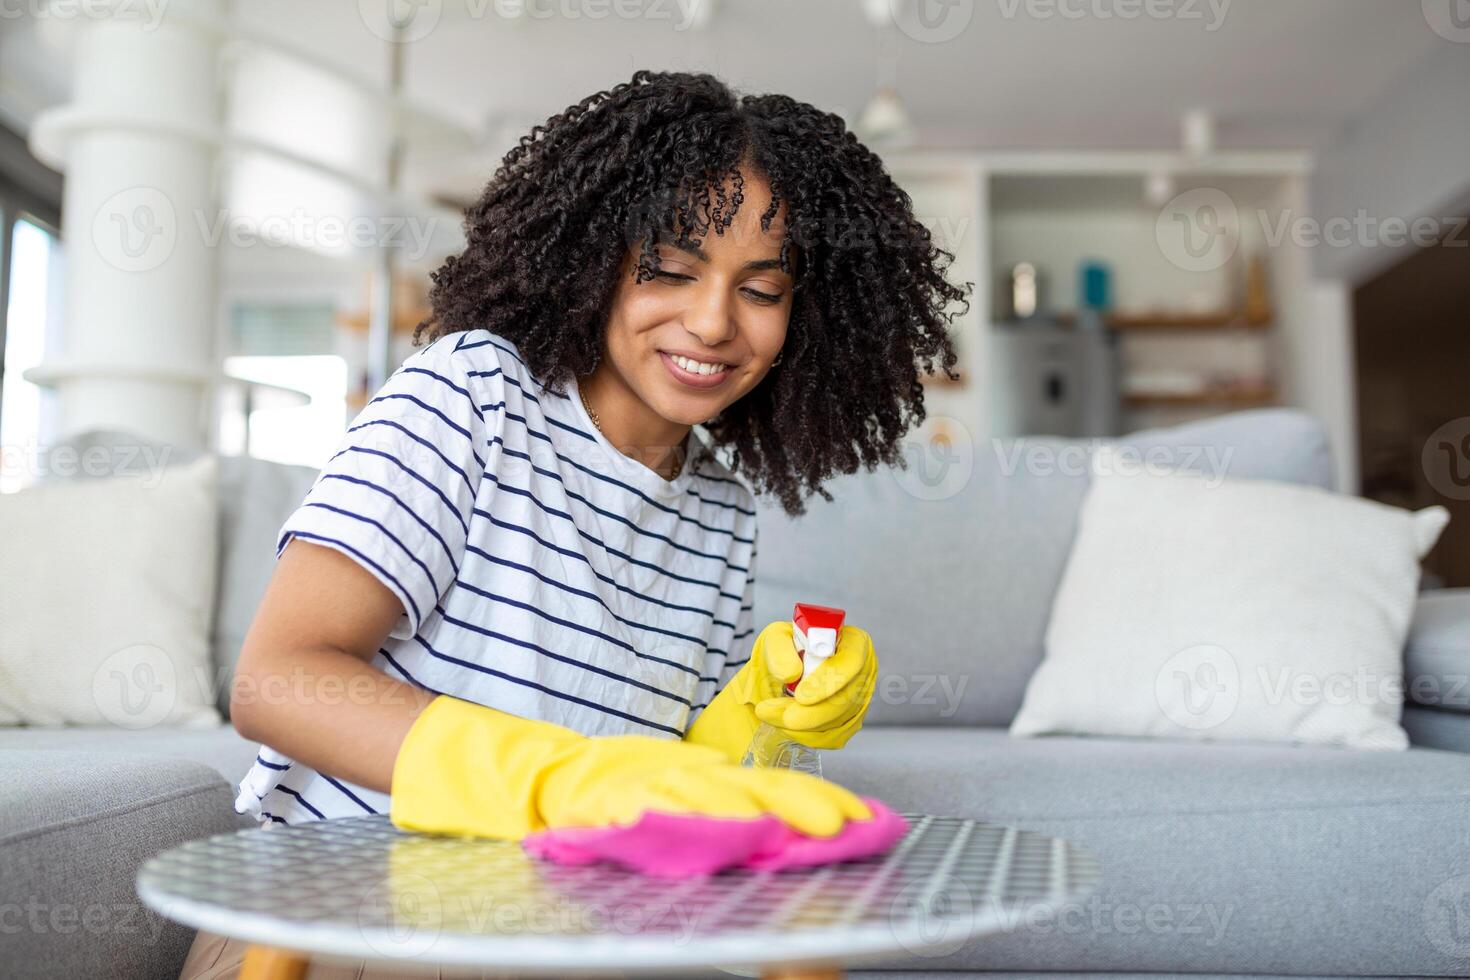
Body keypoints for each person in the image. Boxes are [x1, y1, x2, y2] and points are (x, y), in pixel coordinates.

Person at [179, 69, 965, 979]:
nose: (711, 323)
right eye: (668, 269)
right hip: (336, 925)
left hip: (560, 938)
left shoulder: (722, 511)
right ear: (593, 258)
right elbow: (277, 681)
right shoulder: (472, 393)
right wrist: (560, 785)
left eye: (760, 289)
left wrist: (760, 711)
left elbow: (658, 785)